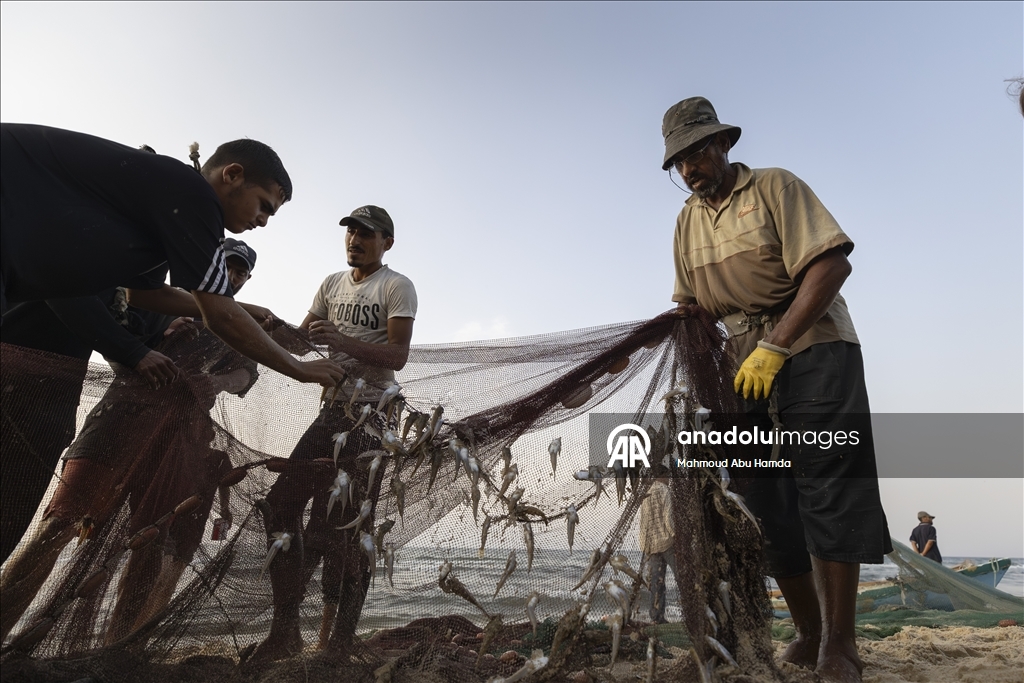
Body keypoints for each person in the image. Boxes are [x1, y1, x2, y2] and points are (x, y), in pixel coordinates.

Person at [662, 96, 891, 683]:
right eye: (678, 161)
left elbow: (831, 265)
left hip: (814, 343)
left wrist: (776, 344)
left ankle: (840, 645)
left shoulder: (774, 187)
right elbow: (691, 310)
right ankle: (808, 630)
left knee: (828, 485)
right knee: (760, 502)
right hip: (741, 368)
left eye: (696, 152)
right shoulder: (686, 222)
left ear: (723, 144)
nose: (689, 168)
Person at [0, 239, 259, 642]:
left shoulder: (234, 323)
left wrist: (217, 380)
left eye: (242, 271)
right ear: (205, 267)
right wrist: (150, 338)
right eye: (227, 265)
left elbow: (248, 373)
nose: (234, 276)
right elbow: (111, 339)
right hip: (118, 422)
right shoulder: (148, 296)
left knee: (150, 545)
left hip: (179, 442)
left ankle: (116, 646)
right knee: (61, 524)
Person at [0, 123, 344, 389]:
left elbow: (146, 294)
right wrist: (299, 368)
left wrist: (246, 309)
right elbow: (219, 316)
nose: (263, 222)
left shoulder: (165, 217)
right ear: (233, 175)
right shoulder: (192, 193)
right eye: (264, 206)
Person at [252, 205, 417, 662]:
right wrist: (267, 328)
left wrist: (341, 342)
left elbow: (398, 356)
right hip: (331, 412)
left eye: (367, 234)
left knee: (349, 528)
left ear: (387, 242)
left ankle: (340, 643)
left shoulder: (396, 286)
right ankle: (285, 630)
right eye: (350, 232)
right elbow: (300, 341)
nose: (355, 240)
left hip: (372, 416)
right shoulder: (330, 284)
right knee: (281, 504)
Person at [639, 479, 675, 624]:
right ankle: (693, 613)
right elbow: (669, 518)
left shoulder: (645, 492)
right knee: (683, 576)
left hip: (650, 545)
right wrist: (676, 536)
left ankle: (656, 617)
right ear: (663, 476)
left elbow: (643, 521)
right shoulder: (664, 490)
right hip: (666, 542)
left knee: (655, 582)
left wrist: (643, 544)